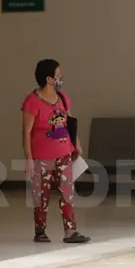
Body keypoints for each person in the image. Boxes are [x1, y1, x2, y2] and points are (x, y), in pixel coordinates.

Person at [21, 59, 90, 244]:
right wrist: (29, 158)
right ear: (49, 79)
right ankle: (40, 231)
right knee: (41, 195)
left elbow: (70, 123)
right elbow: (26, 132)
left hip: (64, 153)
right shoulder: (32, 102)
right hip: (42, 156)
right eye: (58, 76)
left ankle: (71, 231)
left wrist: (76, 144)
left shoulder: (62, 98)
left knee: (67, 193)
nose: (61, 79)